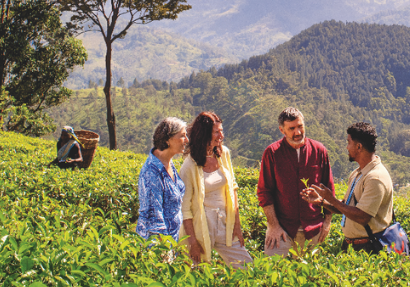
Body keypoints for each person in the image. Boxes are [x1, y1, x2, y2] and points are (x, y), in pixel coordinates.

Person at [302, 122, 395, 253]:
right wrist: (321, 201)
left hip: (369, 247)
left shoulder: (375, 178)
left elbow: (362, 217)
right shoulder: (358, 173)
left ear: (358, 147)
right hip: (353, 245)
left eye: (348, 142)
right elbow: (346, 207)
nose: (347, 147)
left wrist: (331, 199)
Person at [256, 107, 334, 257]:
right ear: (282, 130)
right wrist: (273, 226)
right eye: (291, 128)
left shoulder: (319, 151)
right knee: (273, 274)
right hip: (282, 229)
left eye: (300, 127)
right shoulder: (272, 153)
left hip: (314, 229)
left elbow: (328, 187)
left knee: (312, 278)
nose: (297, 132)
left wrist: (327, 221)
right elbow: (264, 192)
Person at [179, 112, 253, 267]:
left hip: (225, 221)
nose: (221, 136)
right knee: (194, 271)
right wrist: (192, 242)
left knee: (245, 266)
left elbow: (233, 188)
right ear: (205, 134)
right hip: (201, 224)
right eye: (217, 132)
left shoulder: (223, 153)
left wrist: (237, 226)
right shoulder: (189, 165)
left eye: (222, 131)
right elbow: (185, 208)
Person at [137, 117, 188, 240]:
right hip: (158, 245)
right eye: (182, 136)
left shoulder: (168, 163)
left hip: (172, 239)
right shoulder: (152, 172)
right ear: (168, 140)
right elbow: (153, 217)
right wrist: (164, 251)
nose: (186, 140)